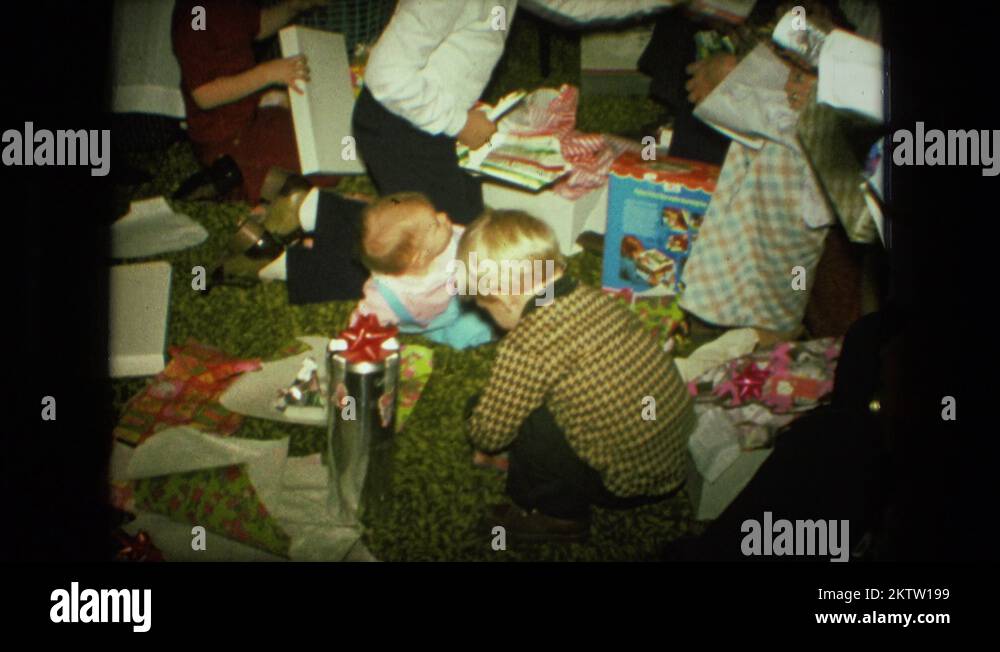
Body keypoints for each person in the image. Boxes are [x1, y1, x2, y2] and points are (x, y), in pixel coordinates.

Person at [460, 209, 695, 543]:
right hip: (671, 451)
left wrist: (476, 418)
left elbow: (488, 436)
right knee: (542, 399)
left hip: (625, 482)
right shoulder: (591, 296)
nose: (488, 316)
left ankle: (561, 517)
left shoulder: (527, 346)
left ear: (507, 298)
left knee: (528, 422)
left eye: (487, 308)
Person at [354, 0, 681, 225]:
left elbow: (575, 4)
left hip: (432, 119)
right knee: (446, 251)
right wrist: (459, 122)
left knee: (470, 223)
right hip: (396, 125)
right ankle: (328, 219)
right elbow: (386, 74)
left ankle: (371, 213)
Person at [171, 0, 332, 204]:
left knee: (324, 153)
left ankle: (240, 173)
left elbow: (257, 25)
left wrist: (293, 6)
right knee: (312, 177)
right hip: (222, 134)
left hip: (252, 114)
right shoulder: (196, 13)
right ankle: (223, 177)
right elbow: (203, 95)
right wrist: (267, 73)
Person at [350, 193, 496, 350]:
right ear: (419, 258)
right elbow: (365, 321)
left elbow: (477, 243)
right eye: (436, 225)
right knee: (471, 331)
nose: (444, 216)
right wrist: (359, 340)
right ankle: (449, 333)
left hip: (458, 299)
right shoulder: (387, 295)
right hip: (431, 322)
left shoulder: (453, 240)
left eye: (435, 213)